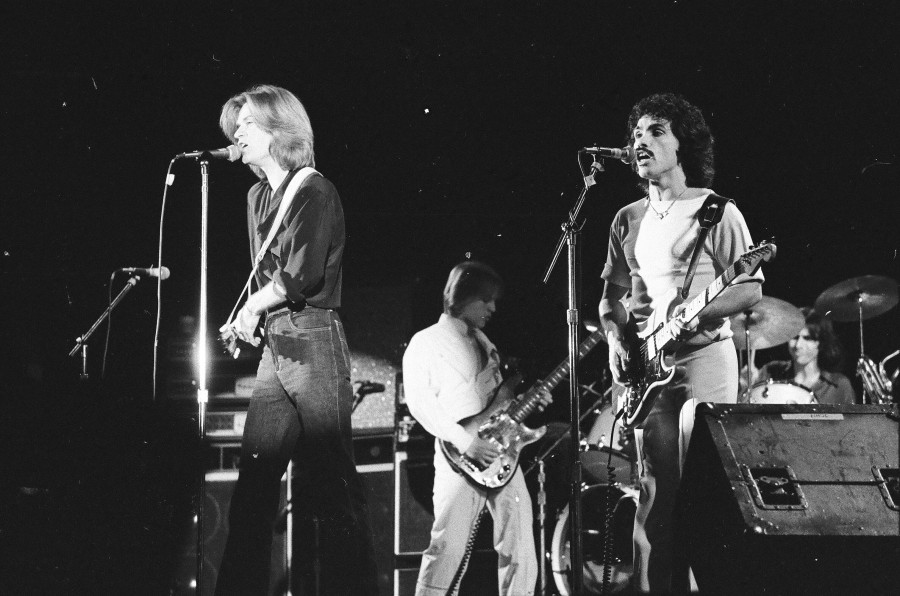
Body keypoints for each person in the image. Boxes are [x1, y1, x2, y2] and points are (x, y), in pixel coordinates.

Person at [214, 84, 377, 595]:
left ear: (279, 131)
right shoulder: (256, 196)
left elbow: (299, 276)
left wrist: (251, 308)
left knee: (333, 485)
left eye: (248, 124)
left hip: (314, 342)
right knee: (254, 490)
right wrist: (248, 321)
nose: (236, 132)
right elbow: (266, 275)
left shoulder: (314, 191)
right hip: (276, 348)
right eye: (234, 125)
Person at [599, 93, 764, 593]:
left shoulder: (717, 211)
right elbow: (611, 295)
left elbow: (751, 285)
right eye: (635, 135)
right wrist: (613, 337)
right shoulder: (626, 218)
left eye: (655, 132)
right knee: (655, 495)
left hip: (705, 359)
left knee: (709, 491)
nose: (640, 142)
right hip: (647, 375)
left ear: (682, 144)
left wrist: (696, 312)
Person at [402, 261, 552, 596]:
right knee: (448, 549)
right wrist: (464, 442)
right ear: (462, 296)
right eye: (485, 300)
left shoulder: (486, 344)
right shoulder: (426, 342)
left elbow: (498, 405)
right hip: (459, 456)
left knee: (521, 548)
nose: (493, 308)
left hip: (503, 457)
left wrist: (527, 402)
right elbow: (420, 404)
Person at [743, 307, 856, 405]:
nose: (798, 345)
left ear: (821, 343)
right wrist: (747, 385)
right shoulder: (771, 371)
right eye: (795, 337)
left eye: (807, 338)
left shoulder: (839, 386)